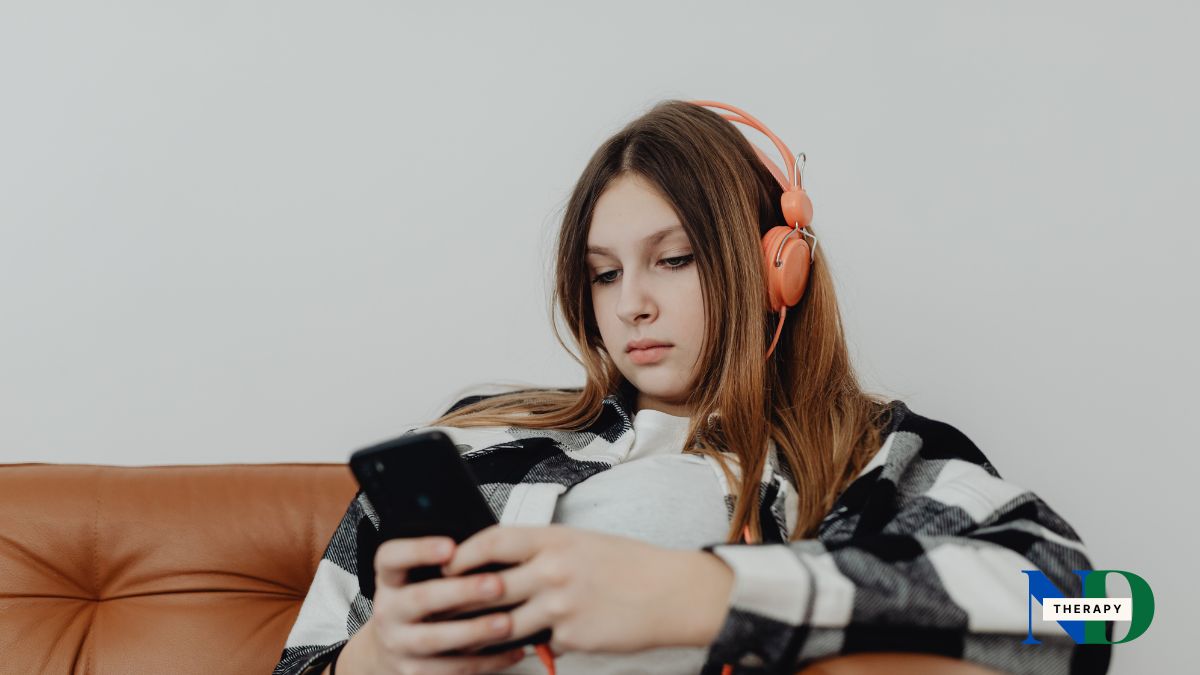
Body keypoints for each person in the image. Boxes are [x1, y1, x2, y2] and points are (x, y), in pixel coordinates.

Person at [271, 100, 1111, 675]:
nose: (631, 303)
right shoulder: (474, 444)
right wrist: (381, 654)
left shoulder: (875, 455)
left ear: (775, 268)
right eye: (603, 274)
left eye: (674, 260)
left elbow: (1093, 611)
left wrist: (708, 595)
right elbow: (302, 662)